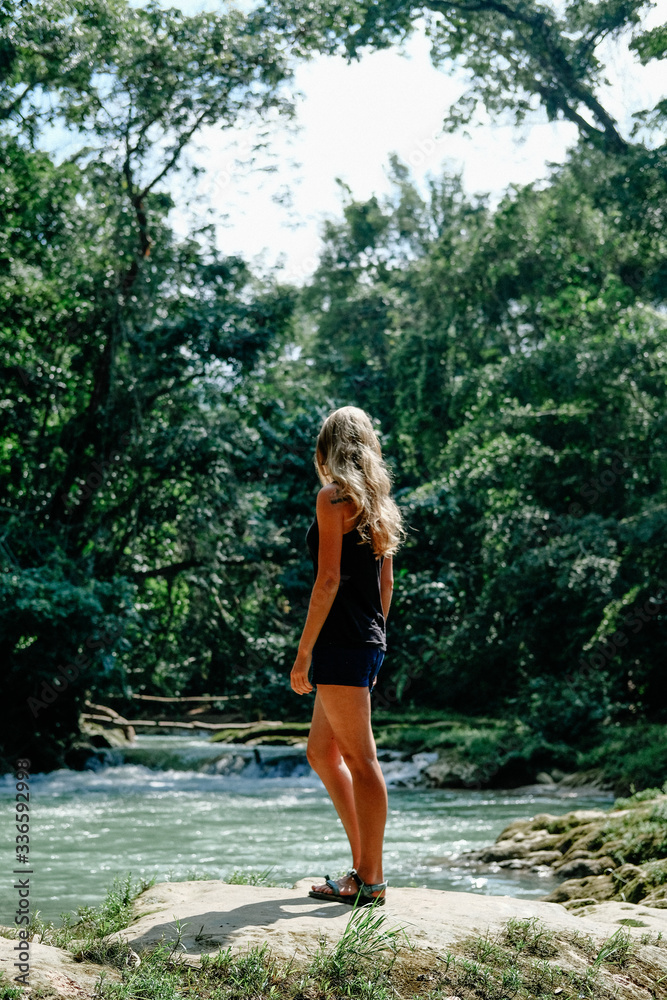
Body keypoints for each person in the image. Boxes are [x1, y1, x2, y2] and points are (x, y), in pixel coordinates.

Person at [290, 405, 406, 907]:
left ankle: (371, 880)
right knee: (322, 753)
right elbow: (386, 584)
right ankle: (362, 869)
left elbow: (329, 580)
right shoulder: (378, 503)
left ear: (326, 449)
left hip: (340, 643)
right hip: (365, 640)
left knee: (361, 759)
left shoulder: (332, 497)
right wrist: (376, 641)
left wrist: (303, 654)